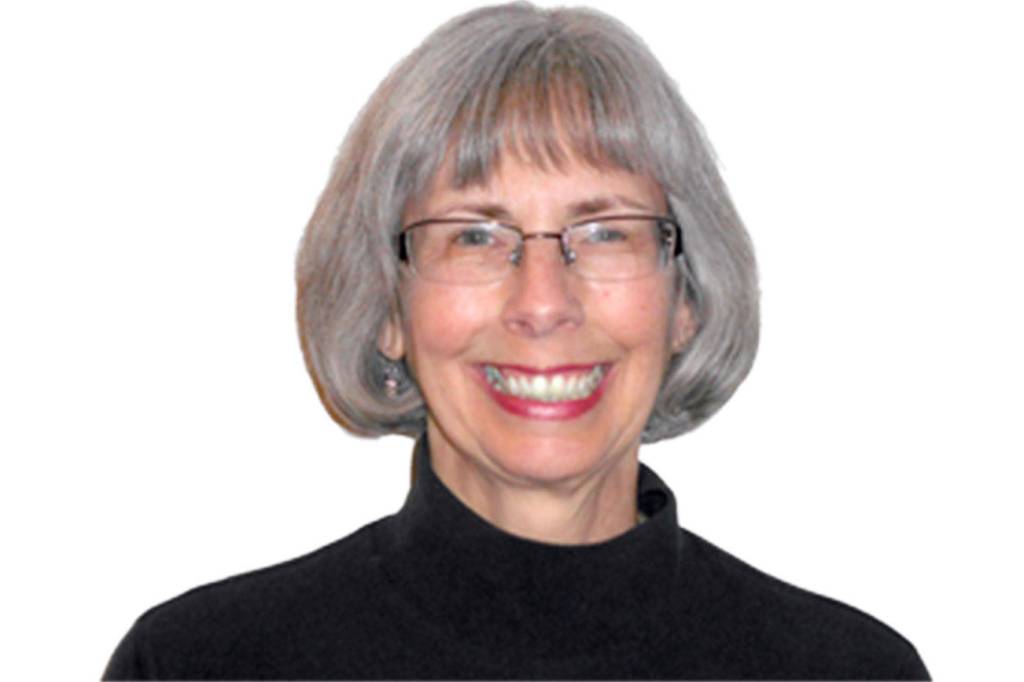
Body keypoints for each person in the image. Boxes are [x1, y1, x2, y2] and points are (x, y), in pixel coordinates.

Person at [103, 3, 929, 679]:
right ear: (389, 307)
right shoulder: (202, 665)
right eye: (473, 235)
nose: (542, 304)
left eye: (604, 232)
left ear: (685, 299)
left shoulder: (849, 673)